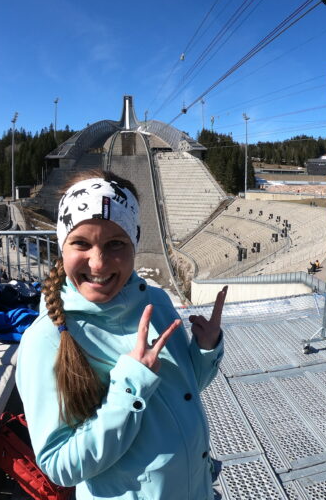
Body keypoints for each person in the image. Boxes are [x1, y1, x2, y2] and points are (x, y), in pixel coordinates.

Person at [16, 170, 227, 499]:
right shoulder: (46, 340)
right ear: (62, 245)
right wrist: (130, 386)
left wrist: (205, 349)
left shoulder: (156, 301)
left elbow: (182, 390)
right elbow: (59, 465)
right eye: (81, 243)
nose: (98, 264)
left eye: (115, 243)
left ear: (134, 244)